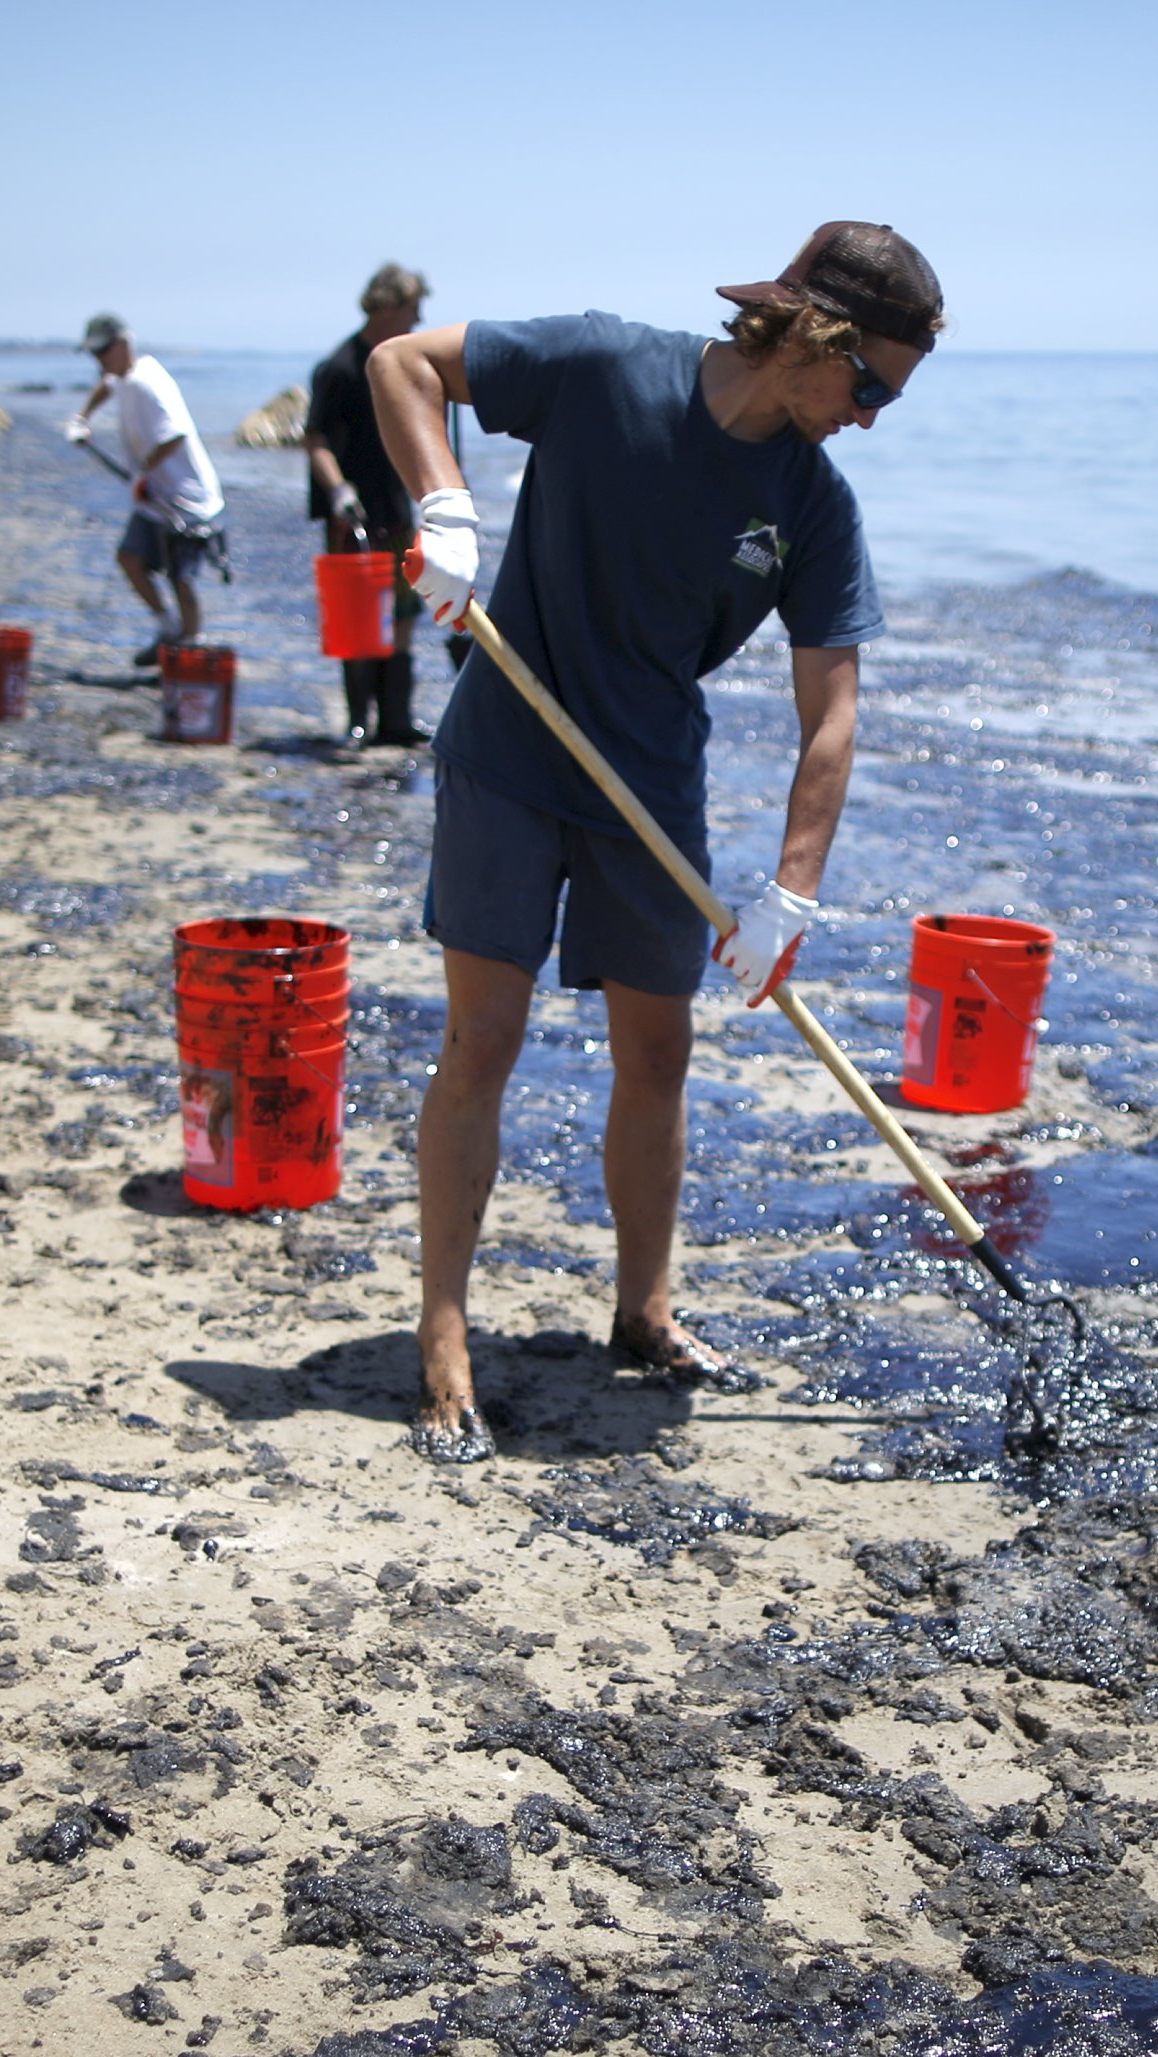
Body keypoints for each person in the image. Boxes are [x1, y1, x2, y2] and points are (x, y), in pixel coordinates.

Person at [368, 221, 944, 1462]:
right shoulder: (601, 365)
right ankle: (443, 1335)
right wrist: (444, 509)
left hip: (649, 784)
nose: (873, 416)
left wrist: (791, 897)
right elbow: (402, 365)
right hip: (511, 752)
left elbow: (831, 711)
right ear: (814, 336)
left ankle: (642, 1309)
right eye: (871, 385)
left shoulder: (809, 504)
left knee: (658, 1052)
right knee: (484, 1039)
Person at [307, 262, 450, 748]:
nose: (417, 319)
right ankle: (357, 721)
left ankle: (396, 719)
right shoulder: (340, 366)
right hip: (352, 516)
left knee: (405, 614)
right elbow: (317, 439)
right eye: (412, 309)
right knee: (356, 617)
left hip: (397, 508)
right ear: (387, 306)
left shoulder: (403, 363)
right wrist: (338, 491)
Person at [67, 313, 227, 658]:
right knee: (130, 558)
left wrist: (143, 471)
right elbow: (106, 386)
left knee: (181, 578)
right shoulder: (121, 377)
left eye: (104, 351)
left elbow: (175, 435)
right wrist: (83, 418)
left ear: (124, 344)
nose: (100, 360)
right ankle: (168, 628)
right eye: (95, 354)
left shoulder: (148, 382)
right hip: (154, 496)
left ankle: (189, 645)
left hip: (188, 499)